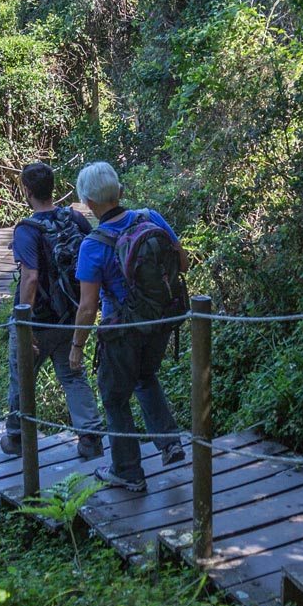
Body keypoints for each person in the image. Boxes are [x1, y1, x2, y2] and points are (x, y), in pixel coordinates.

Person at [67, 161, 186, 492]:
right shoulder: (150, 218)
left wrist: (77, 347)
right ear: (120, 192)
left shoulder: (93, 244)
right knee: (146, 378)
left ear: (88, 203)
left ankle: (128, 470)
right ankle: (170, 443)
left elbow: (88, 306)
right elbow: (182, 262)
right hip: (161, 321)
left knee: (115, 397)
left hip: (122, 331)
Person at [0, 162, 103, 460]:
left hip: (39, 319)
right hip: (70, 315)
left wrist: (26, 324)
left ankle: (17, 436)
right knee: (72, 374)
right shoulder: (74, 219)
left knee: (22, 375)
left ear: (27, 191)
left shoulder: (27, 230)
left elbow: (30, 278)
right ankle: (91, 437)